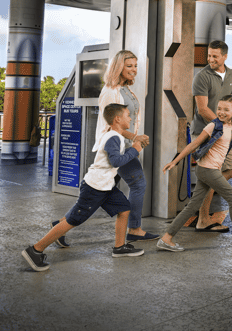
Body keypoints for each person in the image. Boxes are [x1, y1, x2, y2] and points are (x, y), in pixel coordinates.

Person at [51, 50, 157, 246]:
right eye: (129, 66)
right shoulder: (110, 92)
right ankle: (134, 229)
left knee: (94, 197)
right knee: (137, 184)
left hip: (125, 145)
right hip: (118, 148)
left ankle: (59, 226)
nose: (134, 70)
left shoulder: (125, 89)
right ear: (118, 67)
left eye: (135, 65)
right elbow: (112, 125)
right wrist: (135, 138)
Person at [22, 104, 145, 271]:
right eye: (128, 115)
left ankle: (119, 247)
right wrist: (135, 150)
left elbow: (118, 151)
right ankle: (35, 250)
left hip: (106, 186)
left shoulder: (114, 135)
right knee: (74, 220)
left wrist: (135, 140)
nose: (130, 118)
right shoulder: (113, 138)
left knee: (124, 208)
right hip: (95, 187)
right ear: (117, 119)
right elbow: (116, 161)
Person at [157, 96, 232, 251]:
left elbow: (225, 142)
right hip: (207, 170)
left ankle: (166, 238)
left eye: (226, 109)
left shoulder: (230, 127)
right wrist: (175, 161)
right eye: (219, 108)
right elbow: (194, 144)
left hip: (209, 169)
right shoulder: (214, 126)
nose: (221, 112)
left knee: (192, 207)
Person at [189, 40, 232, 231]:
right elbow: (202, 109)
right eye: (209, 55)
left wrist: (230, 123)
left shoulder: (231, 75)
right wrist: (225, 125)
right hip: (207, 133)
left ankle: (203, 216)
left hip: (223, 133)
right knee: (212, 175)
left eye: (215, 56)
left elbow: (229, 104)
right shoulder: (202, 77)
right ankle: (203, 219)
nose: (210, 59)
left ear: (225, 56)